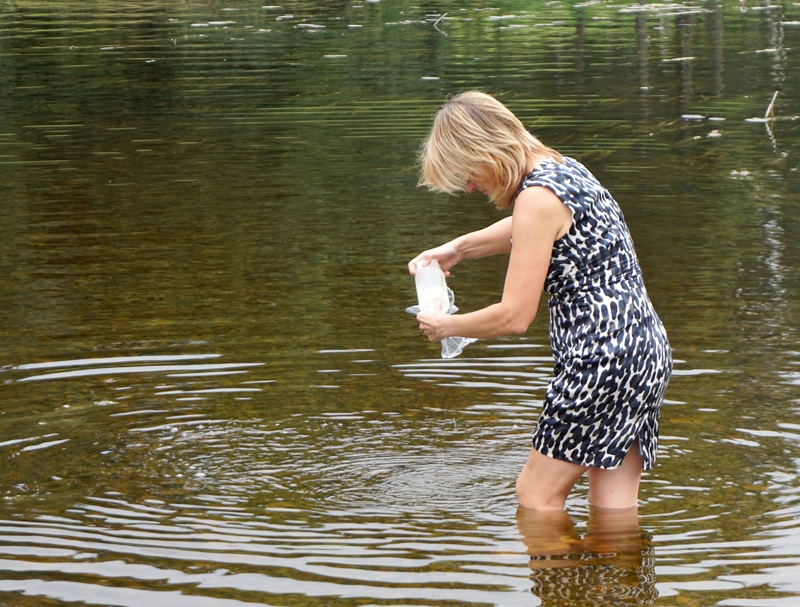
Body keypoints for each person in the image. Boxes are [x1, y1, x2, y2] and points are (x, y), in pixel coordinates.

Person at [408, 91, 671, 511]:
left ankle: (550, 575)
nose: (470, 186)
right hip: (643, 353)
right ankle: (616, 574)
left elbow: (513, 317)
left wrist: (446, 326)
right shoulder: (563, 169)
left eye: (466, 173)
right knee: (613, 507)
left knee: (535, 496)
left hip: (599, 361)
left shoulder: (535, 197)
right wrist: (458, 249)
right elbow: (530, 225)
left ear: (484, 149)